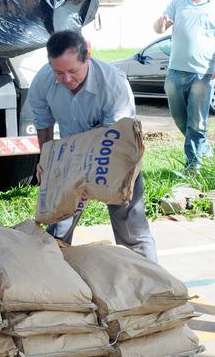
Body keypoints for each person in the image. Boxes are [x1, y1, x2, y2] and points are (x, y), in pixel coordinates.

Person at [28, 29, 157, 261]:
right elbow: (43, 123)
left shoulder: (113, 83)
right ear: (49, 64)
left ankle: (152, 279)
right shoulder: (41, 82)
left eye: (72, 71)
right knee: (57, 227)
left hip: (115, 154)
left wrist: (87, 175)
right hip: (70, 156)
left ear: (87, 58)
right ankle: (56, 280)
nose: (66, 79)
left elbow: (115, 138)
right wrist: (46, 162)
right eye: (58, 72)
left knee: (131, 228)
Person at [153, 0, 215, 170]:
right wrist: (161, 24)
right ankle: (204, 147)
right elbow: (158, 27)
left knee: (197, 121)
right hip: (175, 71)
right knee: (180, 117)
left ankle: (194, 165)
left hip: (203, 73)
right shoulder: (178, 3)